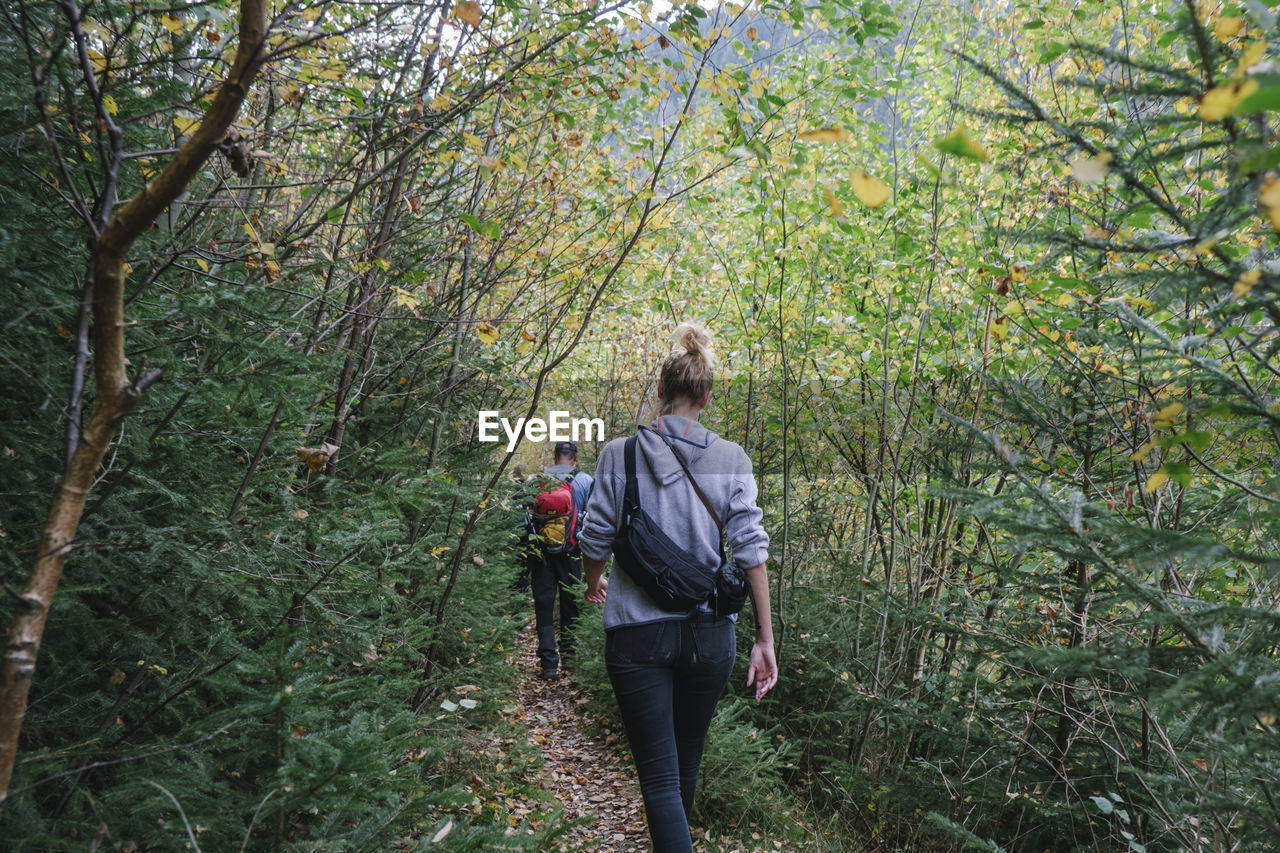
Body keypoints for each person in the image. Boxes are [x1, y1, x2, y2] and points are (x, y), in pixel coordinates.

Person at [577, 323, 778, 852]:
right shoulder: (732, 459)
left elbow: (595, 537)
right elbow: (751, 553)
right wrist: (765, 640)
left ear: (659, 390)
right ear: (707, 397)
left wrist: (593, 582)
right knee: (685, 760)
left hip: (638, 635)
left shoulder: (619, 454)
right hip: (711, 636)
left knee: (659, 778)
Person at [524, 440, 593, 680]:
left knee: (543, 604)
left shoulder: (536, 480)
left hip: (540, 552)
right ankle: (570, 658)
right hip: (571, 551)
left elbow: (524, 520)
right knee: (569, 603)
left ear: (555, 455)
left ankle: (548, 664)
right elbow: (592, 518)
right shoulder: (584, 481)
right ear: (574, 458)